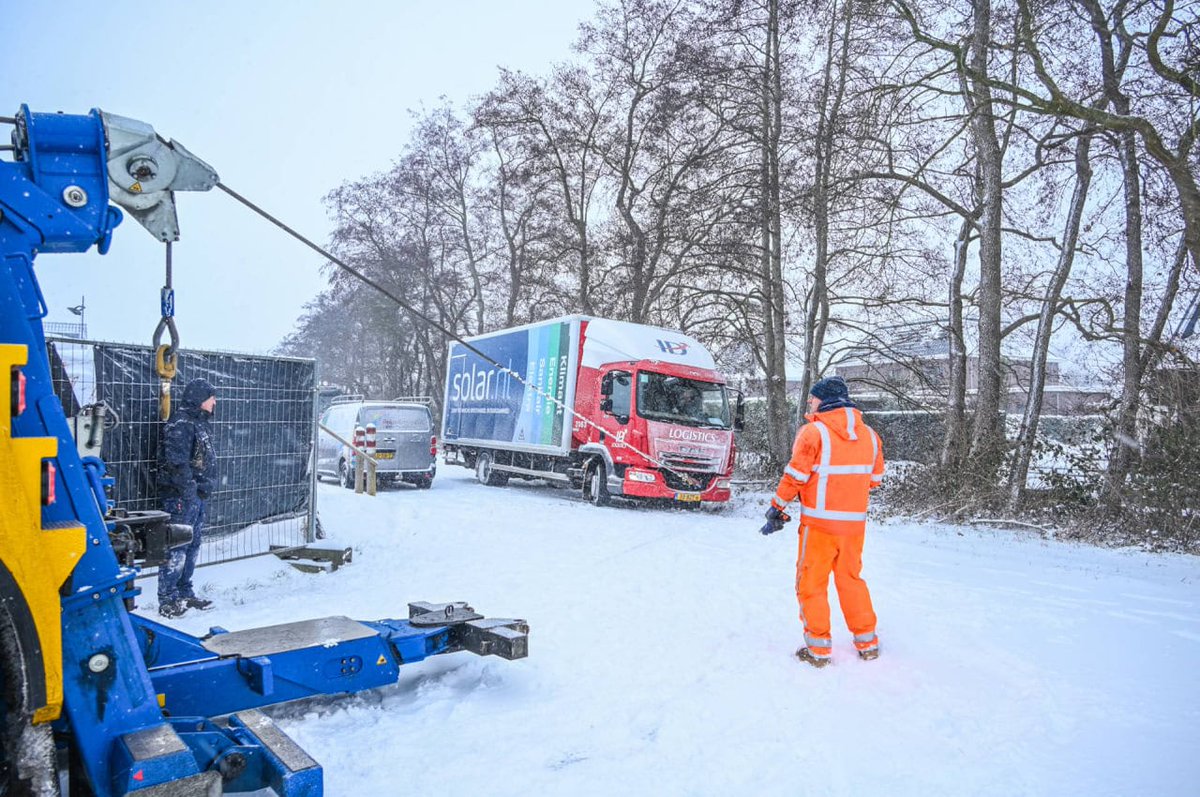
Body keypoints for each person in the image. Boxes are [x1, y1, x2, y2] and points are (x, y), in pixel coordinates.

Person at [759, 375, 884, 668]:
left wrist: (777, 507)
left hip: (819, 527)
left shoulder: (813, 433)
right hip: (854, 528)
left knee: (811, 584)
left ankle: (819, 650)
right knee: (851, 581)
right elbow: (874, 480)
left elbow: (795, 477)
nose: (810, 402)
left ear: (824, 400)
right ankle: (867, 643)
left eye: (813, 398)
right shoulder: (871, 436)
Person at [157, 377, 218, 618]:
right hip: (181, 497)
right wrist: (189, 489)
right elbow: (176, 461)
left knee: (192, 545)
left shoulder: (198, 423)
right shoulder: (181, 424)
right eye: (211, 397)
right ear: (201, 399)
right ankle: (168, 598)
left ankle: (184, 591)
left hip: (196, 495)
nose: (214, 402)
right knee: (178, 546)